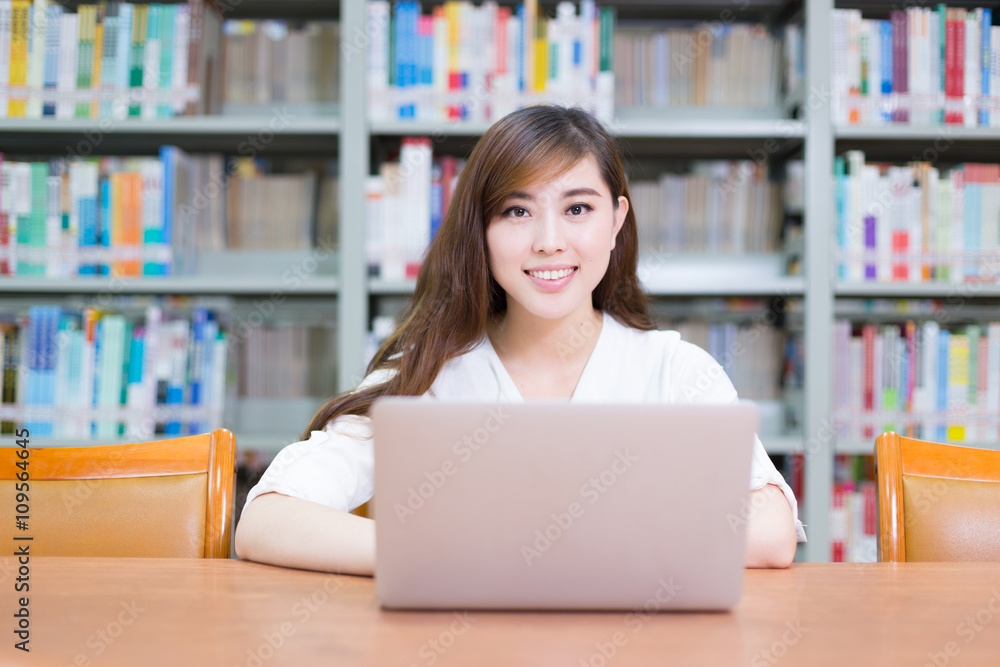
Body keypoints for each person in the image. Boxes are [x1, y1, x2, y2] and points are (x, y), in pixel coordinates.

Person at [235, 105, 806, 575]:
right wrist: (455, 556)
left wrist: (571, 550)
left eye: (578, 208)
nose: (549, 241)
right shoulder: (425, 375)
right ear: (479, 232)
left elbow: (772, 529)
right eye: (516, 211)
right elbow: (266, 520)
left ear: (616, 222)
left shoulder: (676, 371)